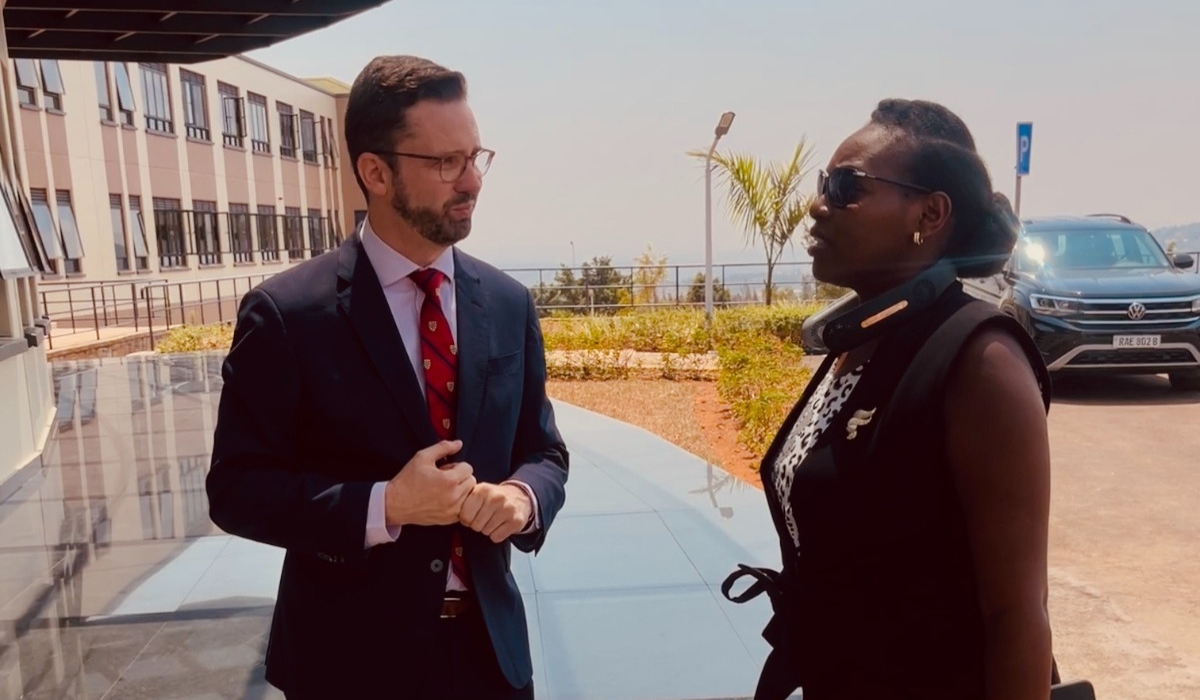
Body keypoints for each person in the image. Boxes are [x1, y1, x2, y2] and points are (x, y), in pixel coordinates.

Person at [206, 55, 568, 700]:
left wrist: (524, 497)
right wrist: (387, 505)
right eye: (445, 163)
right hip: (346, 665)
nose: (472, 181)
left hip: (493, 659)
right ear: (375, 171)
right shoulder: (288, 314)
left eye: (476, 156)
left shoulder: (508, 302)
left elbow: (544, 451)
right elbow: (236, 489)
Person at [729, 99, 1055, 700]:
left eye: (847, 185)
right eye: (825, 182)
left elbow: (1018, 614)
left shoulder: (981, 360)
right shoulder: (860, 340)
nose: (818, 203)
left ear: (929, 214)